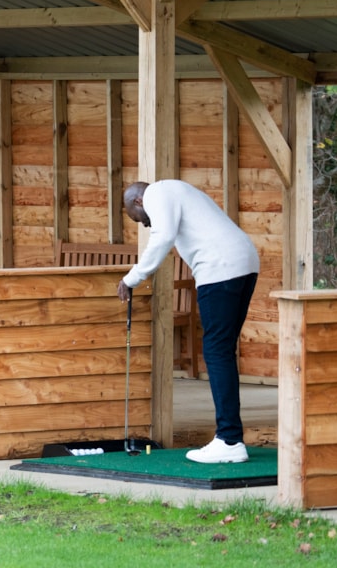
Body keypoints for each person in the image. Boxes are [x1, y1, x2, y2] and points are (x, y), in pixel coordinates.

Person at [116, 179, 260, 464]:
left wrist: (132, 278)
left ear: (137, 202)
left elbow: (163, 236)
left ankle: (229, 439)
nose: (144, 225)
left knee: (216, 352)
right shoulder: (177, 190)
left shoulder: (156, 193)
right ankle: (230, 437)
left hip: (220, 268)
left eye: (139, 220)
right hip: (244, 263)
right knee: (222, 351)